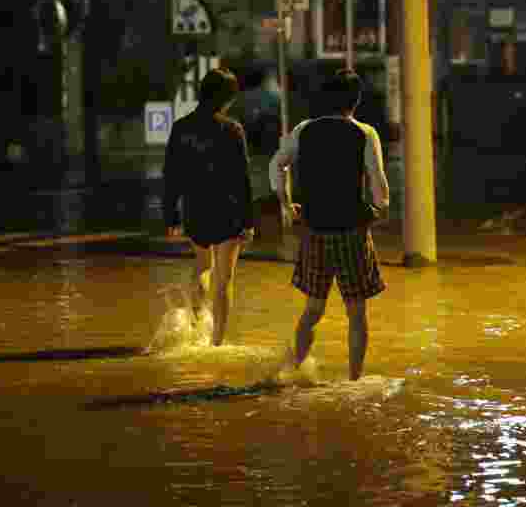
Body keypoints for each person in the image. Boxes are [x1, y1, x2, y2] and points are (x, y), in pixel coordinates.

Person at [269, 69, 390, 381]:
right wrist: (380, 208)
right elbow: (378, 184)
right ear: (357, 100)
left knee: (312, 310)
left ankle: (291, 372)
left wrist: (286, 202)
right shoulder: (365, 133)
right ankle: (353, 380)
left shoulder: (304, 130)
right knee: (357, 313)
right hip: (352, 231)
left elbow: (276, 164)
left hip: (314, 230)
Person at [163, 67, 254, 346]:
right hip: (228, 210)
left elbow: (171, 175)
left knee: (203, 266)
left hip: (195, 208)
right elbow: (243, 179)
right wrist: (249, 221)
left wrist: (171, 216)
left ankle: (195, 323)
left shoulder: (181, 128)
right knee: (224, 280)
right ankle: (216, 342)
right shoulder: (233, 129)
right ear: (226, 98)